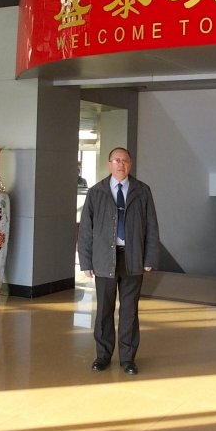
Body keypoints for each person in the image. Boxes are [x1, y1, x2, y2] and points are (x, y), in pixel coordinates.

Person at [78, 147, 159, 375]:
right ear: (109, 164)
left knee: (129, 311)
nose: (120, 164)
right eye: (116, 160)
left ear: (130, 164)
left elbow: (152, 226)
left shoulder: (142, 191)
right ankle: (102, 356)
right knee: (104, 309)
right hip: (104, 259)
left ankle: (128, 359)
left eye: (124, 160)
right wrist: (86, 261)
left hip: (132, 258)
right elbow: (86, 229)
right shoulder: (96, 192)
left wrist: (150, 257)